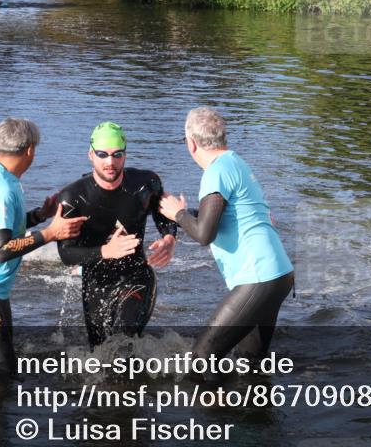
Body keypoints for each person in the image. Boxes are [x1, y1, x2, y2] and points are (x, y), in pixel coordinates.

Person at [0, 118, 87, 375]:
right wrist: (50, 233)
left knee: (5, 364)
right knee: (1, 370)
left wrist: (39, 215)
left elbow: (1, 226)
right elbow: (2, 250)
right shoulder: (0, 189)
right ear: (30, 151)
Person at [159, 108, 294, 364]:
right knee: (249, 365)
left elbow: (204, 234)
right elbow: (229, 216)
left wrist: (178, 214)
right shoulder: (235, 162)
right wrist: (184, 213)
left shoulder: (215, 172)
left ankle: (214, 403)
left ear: (191, 143)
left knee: (199, 361)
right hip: (279, 275)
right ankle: (250, 405)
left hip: (258, 278)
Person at [57, 122, 177, 349]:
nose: (110, 162)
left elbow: (165, 216)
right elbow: (65, 254)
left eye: (117, 154)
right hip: (95, 282)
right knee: (100, 353)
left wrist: (169, 239)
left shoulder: (146, 184)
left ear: (125, 155)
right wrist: (105, 251)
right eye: (102, 154)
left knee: (122, 342)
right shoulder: (73, 196)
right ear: (90, 155)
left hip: (136, 276)